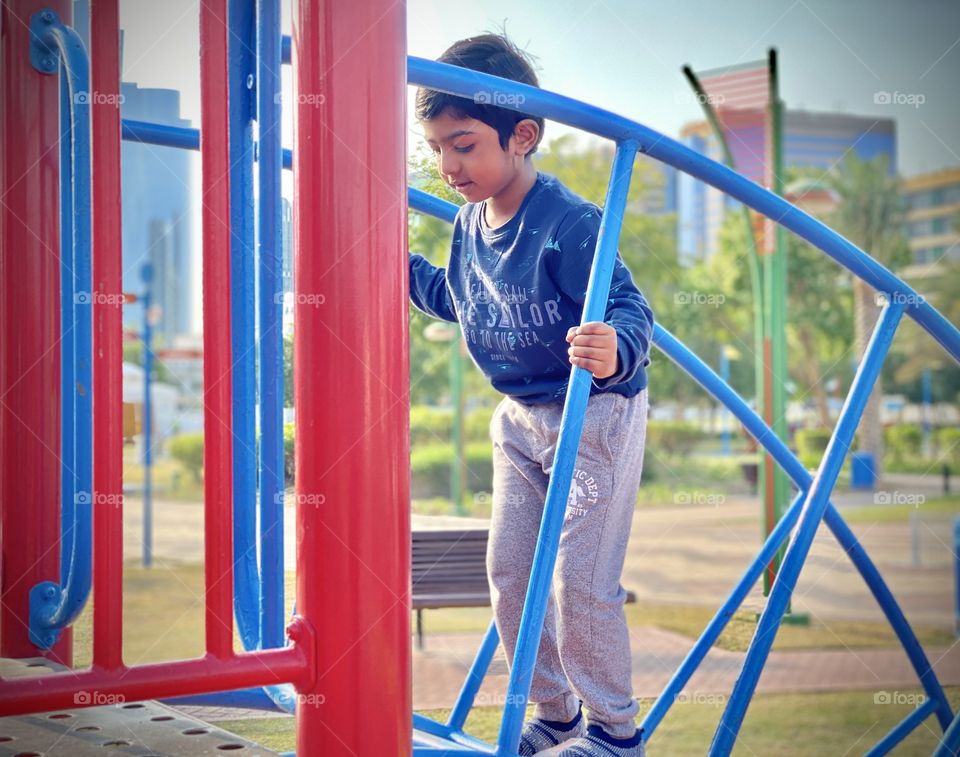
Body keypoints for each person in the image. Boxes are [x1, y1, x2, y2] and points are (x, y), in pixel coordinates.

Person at [410, 33, 653, 757]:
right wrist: (399, 267)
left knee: (579, 581)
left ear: (522, 135)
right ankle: (556, 715)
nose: (449, 167)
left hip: (592, 414)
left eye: (464, 146)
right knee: (512, 574)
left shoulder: (569, 223)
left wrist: (616, 345)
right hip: (517, 420)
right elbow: (460, 299)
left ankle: (615, 732)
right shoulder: (468, 224)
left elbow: (629, 305)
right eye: (437, 149)